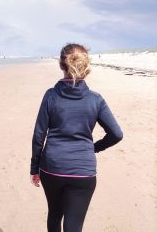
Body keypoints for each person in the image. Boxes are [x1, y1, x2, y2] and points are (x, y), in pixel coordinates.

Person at [30, 43, 123, 232]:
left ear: (61, 65)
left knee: (55, 214)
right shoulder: (95, 100)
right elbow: (116, 134)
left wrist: (34, 168)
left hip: (52, 167)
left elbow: (39, 134)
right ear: (86, 66)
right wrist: (94, 147)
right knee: (74, 226)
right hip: (83, 171)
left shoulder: (51, 96)